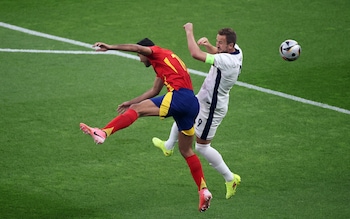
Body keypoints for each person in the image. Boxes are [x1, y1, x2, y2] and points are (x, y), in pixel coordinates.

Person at [79, 37, 212, 212]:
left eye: (139, 55)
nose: (139, 58)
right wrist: (131, 102)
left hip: (178, 96)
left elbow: (137, 48)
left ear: (144, 51)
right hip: (191, 104)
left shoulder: (155, 52)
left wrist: (111, 47)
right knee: (186, 150)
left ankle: (103, 132)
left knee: (138, 110)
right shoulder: (164, 60)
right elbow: (154, 91)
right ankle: (203, 189)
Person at [153, 23, 243, 199]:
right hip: (204, 97)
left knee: (202, 146)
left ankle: (230, 178)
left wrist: (189, 32)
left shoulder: (228, 61)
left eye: (220, 43)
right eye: (217, 41)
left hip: (212, 107)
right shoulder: (235, 50)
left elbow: (195, 54)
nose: (217, 45)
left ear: (230, 46)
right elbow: (217, 52)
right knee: (183, 109)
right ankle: (169, 145)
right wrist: (210, 46)